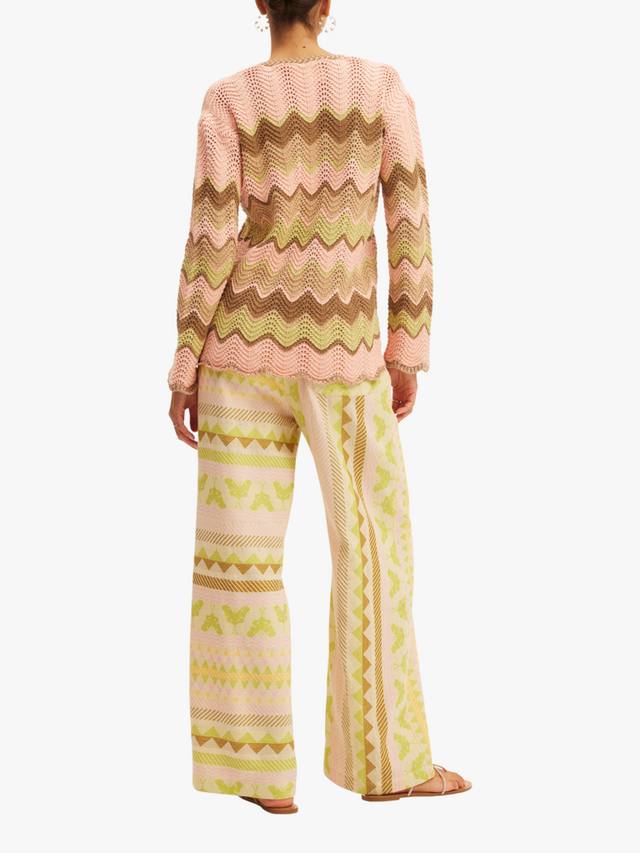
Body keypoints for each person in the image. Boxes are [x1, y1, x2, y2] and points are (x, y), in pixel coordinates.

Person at [167, 0, 471, 814]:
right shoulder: (381, 90)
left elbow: (210, 239)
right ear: (327, 4)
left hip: (237, 354)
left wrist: (186, 362)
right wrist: (406, 347)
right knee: (374, 555)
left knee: (238, 566)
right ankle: (390, 764)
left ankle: (257, 775)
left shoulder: (229, 100)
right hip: (345, 358)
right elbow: (410, 223)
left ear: (260, 3)